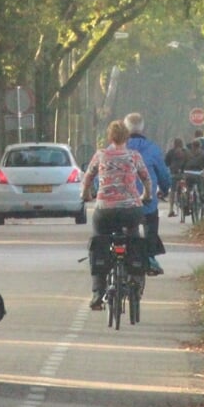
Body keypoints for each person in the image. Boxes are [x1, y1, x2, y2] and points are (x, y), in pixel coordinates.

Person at [81, 120, 151, 310]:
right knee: (134, 238)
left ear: (109, 137)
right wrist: (146, 195)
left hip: (106, 211)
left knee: (98, 242)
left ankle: (97, 293)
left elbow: (87, 177)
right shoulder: (134, 156)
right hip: (131, 210)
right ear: (127, 137)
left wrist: (86, 194)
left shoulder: (101, 155)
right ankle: (135, 281)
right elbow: (146, 178)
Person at [123, 112, 171, 275]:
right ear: (143, 128)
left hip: (119, 205)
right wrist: (164, 189)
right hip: (145, 203)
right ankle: (150, 256)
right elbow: (163, 175)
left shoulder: (114, 149)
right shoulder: (152, 149)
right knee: (150, 220)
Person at [163, 138, 187, 216]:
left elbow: (166, 163)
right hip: (184, 174)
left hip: (174, 174)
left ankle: (171, 209)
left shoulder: (171, 152)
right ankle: (187, 204)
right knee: (188, 187)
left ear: (174, 144)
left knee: (172, 191)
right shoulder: (185, 152)